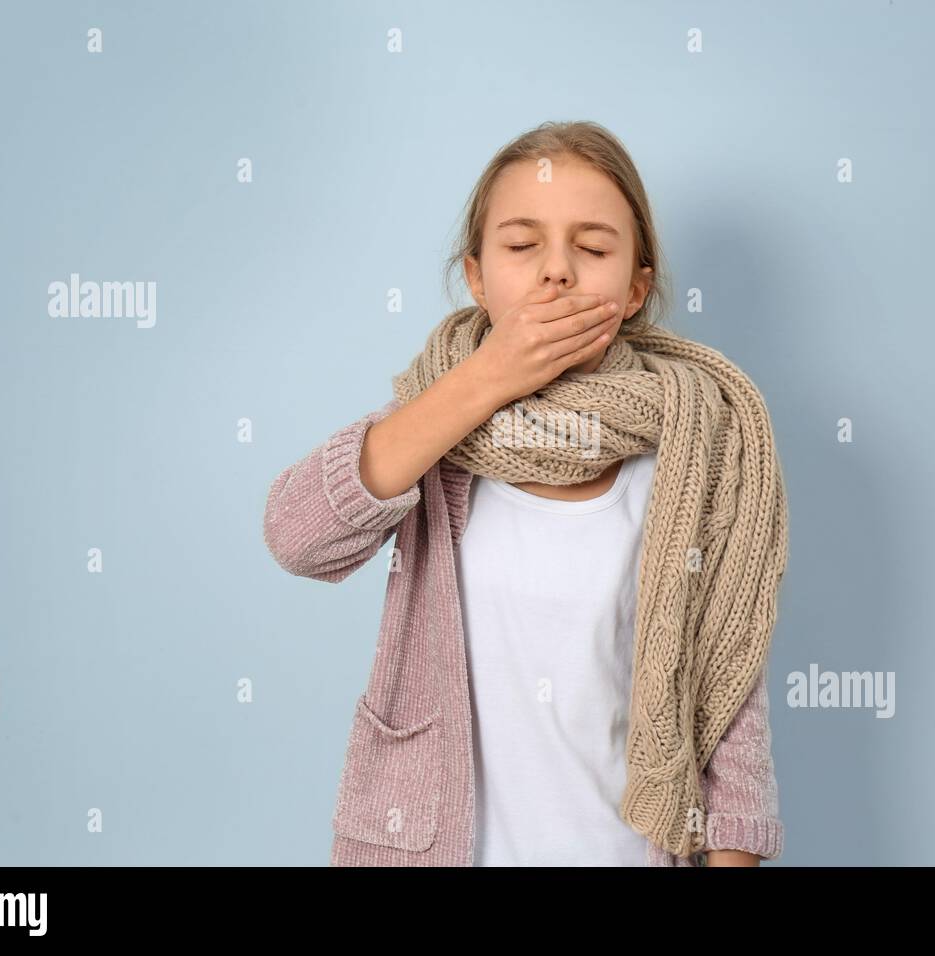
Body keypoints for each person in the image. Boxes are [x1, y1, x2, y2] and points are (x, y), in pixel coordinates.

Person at [263, 120, 788, 867]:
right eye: (521, 245)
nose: (557, 272)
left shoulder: (700, 450)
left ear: (637, 286)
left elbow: (730, 706)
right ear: (476, 278)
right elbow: (298, 537)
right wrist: (488, 378)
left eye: (594, 247)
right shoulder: (428, 432)